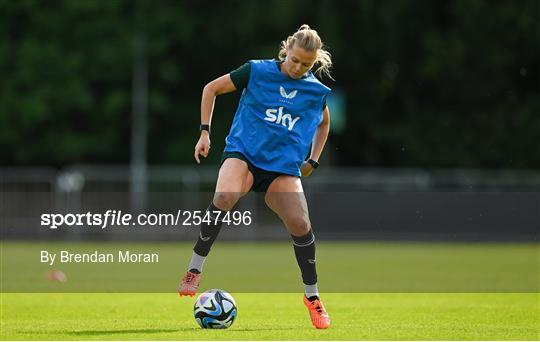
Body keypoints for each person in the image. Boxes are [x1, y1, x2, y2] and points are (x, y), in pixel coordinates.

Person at [179, 24, 333, 329]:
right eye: (294, 60)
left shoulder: (316, 91)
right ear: (286, 49)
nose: (298, 68)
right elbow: (211, 88)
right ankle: (194, 269)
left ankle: (312, 297)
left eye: (306, 64)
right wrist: (205, 133)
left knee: (301, 223)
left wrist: (313, 161)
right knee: (223, 197)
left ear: (314, 62)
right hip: (244, 155)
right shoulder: (256, 71)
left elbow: (323, 124)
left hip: (282, 168)